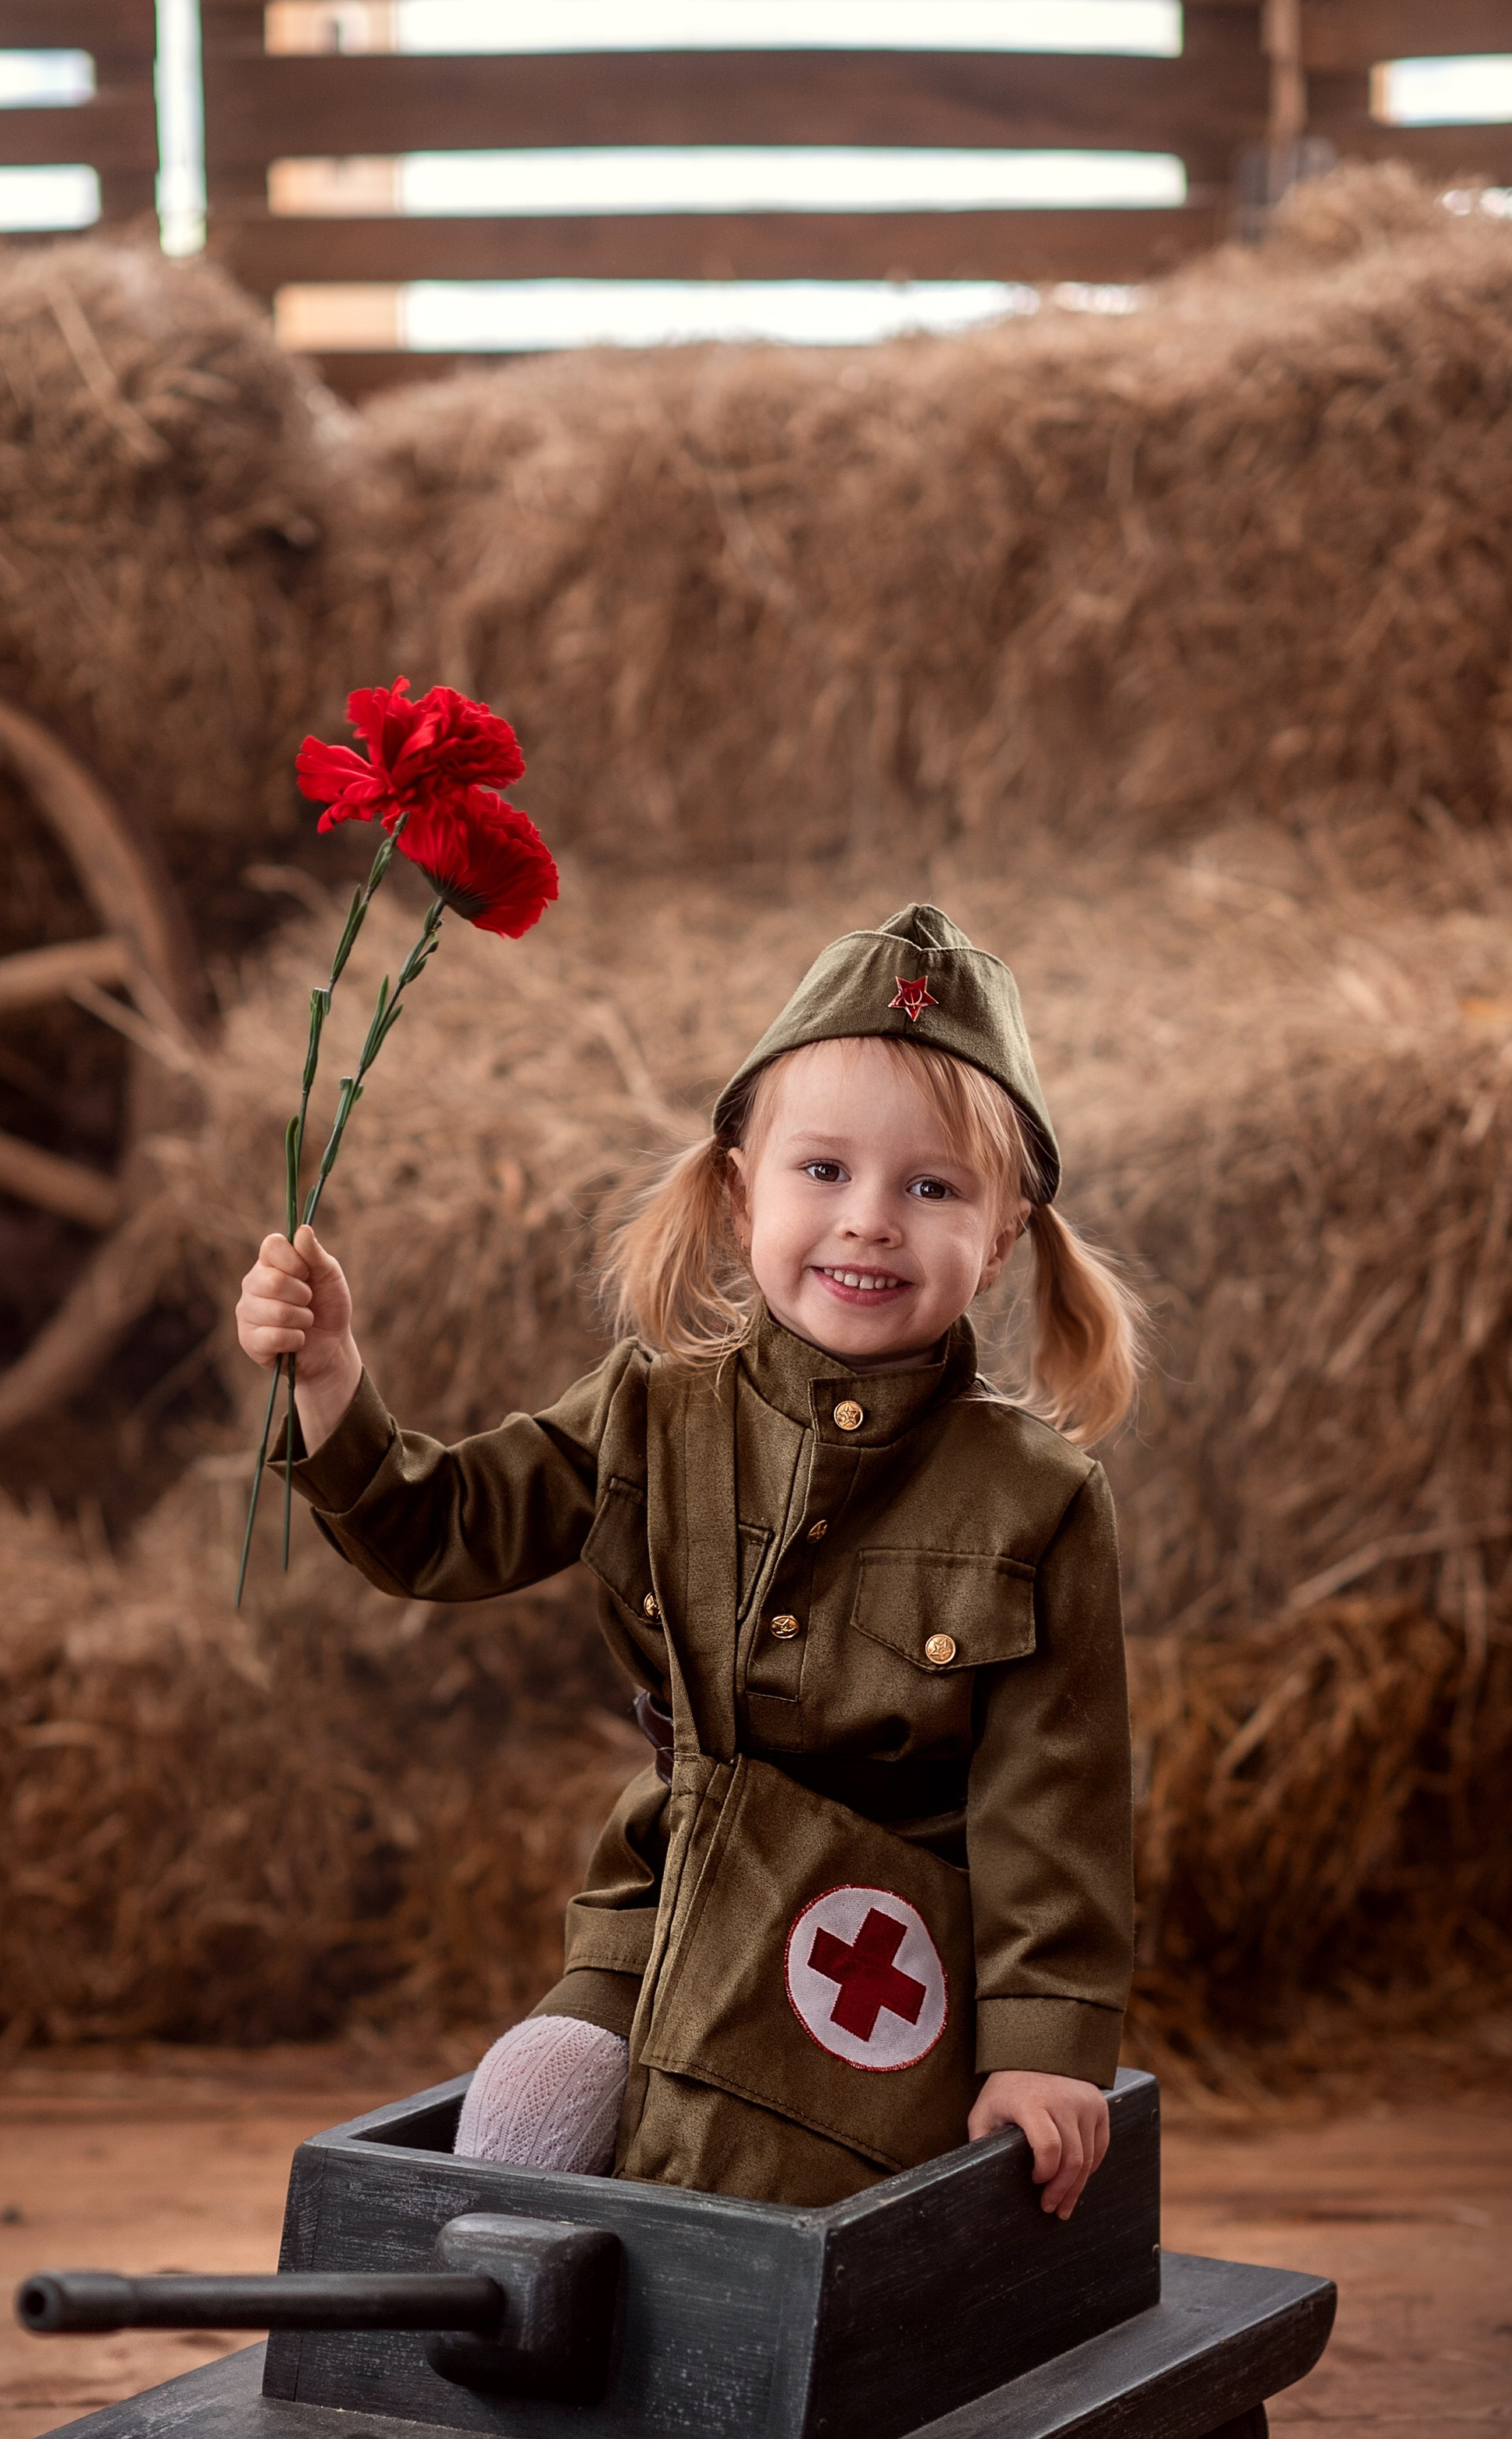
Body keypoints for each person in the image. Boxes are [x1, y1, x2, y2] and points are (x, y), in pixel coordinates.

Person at [235, 904, 1142, 2219]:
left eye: (931, 1188)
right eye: (822, 1171)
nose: (870, 1221)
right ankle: (491, 2352)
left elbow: (1053, 1801)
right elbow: (441, 1531)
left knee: (774, 2189)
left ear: (1001, 1240)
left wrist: (1044, 2046)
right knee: (536, 2106)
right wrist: (329, 1379)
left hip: (887, 1941)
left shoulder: (1038, 1498)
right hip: (665, 1904)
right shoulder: (652, 1415)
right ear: (738, 1192)